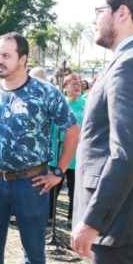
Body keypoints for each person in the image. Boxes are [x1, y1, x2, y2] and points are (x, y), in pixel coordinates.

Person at [0, 32, 80, 264]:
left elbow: (72, 131)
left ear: (23, 59)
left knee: (34, 253)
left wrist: (58, 172)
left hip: (32, 184)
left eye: (6, 55)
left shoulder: (45, 93)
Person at [72, 0, 133, 264]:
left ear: (122, 13)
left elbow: (128, 152)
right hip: (124, 222)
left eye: (99, 11)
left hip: (118, 225)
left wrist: (94, 220)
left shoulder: (130, 65)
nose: (95, 19)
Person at [49, 73, 85, 224]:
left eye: (78, 83)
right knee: (53, 188)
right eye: (72, 83)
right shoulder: (60, 104)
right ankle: (49, 217)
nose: (77, 85)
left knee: (75, 189)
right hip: (59, 152)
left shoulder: (86, 104)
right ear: (65, 87)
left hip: (77, 155)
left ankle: (72, 218)